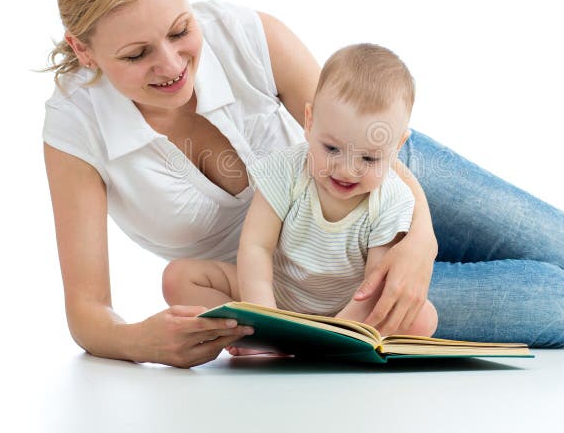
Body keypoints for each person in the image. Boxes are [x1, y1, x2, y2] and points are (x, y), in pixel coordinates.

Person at [43, 0, 564, 369]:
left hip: (377, 174)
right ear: (85, 50)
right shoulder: (76, 129)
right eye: (136, 54)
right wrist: (138, 342)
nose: (171, 65)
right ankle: (538, 287)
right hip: (313, 287)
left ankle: (500, 268)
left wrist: (418, 235)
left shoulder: (246, 35)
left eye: (178, 31)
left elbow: (347, 131)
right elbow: (87, 309)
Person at [163, 44, 438, 338]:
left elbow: (371, 286)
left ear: (397, 147)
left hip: (347, 310)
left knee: (424, 318)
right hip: (276, 295)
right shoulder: (284, 171)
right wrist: (266, 317)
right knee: (178, 279)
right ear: (310, 122)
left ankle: (323, 343)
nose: (346, 170)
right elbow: (256, 247)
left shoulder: (391, 199)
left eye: (369, 159)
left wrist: (335, 332)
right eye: (331, 148)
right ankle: (256, 334)